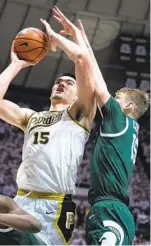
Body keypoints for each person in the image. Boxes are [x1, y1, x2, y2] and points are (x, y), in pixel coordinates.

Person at [0, 8, 97, 245]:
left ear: (78, 95)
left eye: (69, 83)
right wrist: (16, 65)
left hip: (53, 206)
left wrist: (63, 40)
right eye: (58, 82)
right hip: (20, 200)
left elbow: (83, 61)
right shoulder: (31, 117)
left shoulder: (79, 115)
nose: (61, 85)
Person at [51, 6, 150, 245]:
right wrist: (82, 40)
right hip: (111, 208)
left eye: (118, 98)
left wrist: (79, 40)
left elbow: (96, 83)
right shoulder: (127, 129)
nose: (111, 99)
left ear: (127, 107)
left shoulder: (120, 120)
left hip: (110, 209)